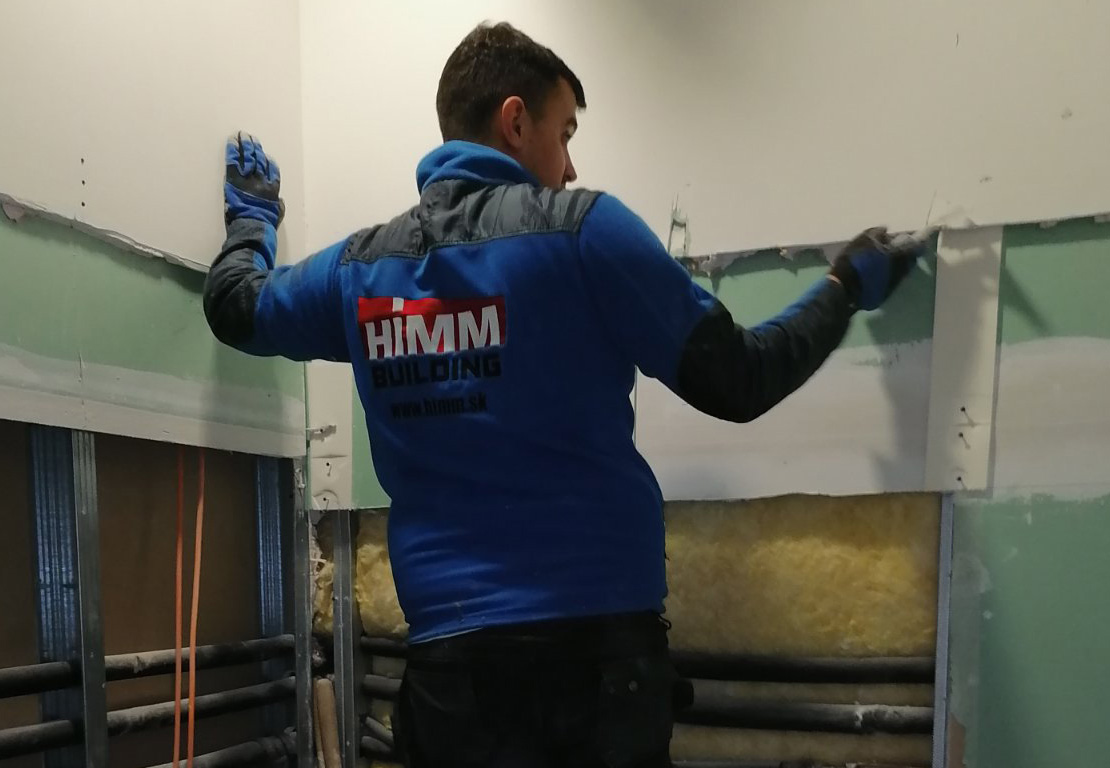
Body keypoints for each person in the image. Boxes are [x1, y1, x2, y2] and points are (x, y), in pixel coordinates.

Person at [204, 21, 921, 768]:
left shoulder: (359, 272)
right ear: (515, 121)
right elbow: (741, 379)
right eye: (565, 132)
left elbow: (235, 306)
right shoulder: (586, 234)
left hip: (454, 678)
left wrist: (252, 221)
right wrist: (844, 285)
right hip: (599, 666)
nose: (570, 166)